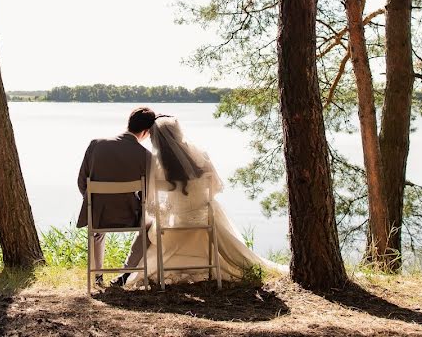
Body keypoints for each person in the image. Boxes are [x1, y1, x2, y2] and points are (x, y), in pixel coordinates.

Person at [127, 114, 287, 286]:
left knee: (153, 229)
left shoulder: (156, 164)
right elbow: (215, 188)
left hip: (173, 231)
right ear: (179, 133)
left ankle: (147, 268)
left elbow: (152, 207)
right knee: (212, 211)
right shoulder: (200, 155)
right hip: (205, 223)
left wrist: (171, 208)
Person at [77, 106, 154, 288]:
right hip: (130, 218)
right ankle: (125, 274)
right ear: (146, 132)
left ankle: (97, 277)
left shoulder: (96, 144)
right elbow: (148, 195)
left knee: (97, 231)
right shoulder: (146, 156)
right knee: (151, 226)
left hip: (98, 215)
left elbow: (82, 182)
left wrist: (94, 204)